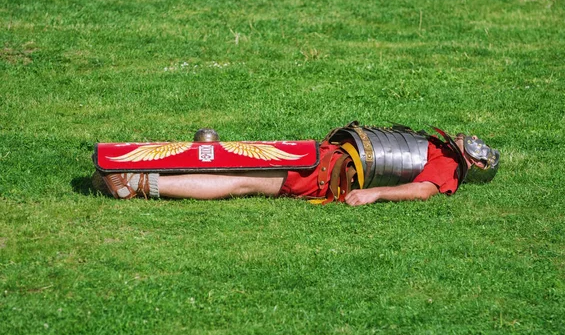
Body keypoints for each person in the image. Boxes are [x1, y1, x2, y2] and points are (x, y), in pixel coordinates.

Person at [92, 122, 499, 206]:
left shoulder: (448, 168)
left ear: (474, 166)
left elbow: (422, 189)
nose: (473, 142)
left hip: (327, 175)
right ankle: (138, 172)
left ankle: (141, 184)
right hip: (320, 155)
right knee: (236, 158)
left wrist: (372, 193)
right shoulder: (437, 144)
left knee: (241, 182)